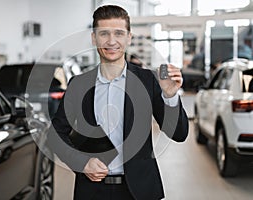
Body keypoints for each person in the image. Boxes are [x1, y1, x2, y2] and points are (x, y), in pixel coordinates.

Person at [51, 5, 189, 200]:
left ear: (129, 37)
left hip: (139, 191)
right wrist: (82, 163)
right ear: (94, 38)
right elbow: (56, 134)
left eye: (119, 33)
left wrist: (170, 97)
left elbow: (179, 134)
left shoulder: (148, 81)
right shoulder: (78, 85)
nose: (111, 41)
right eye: (104, 34)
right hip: (91, 191)